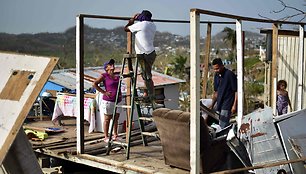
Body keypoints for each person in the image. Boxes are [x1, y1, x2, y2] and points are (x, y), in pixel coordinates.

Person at [124, 10, 156, 102]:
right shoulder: (152, 25)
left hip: (143, 54)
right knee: (146, 74)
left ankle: (150, 96)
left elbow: (126, 29)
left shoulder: (141, 25)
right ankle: (148, 94)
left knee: (146, 76)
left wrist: (132, 20)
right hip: (151, 53)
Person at [93, 59, 122, 142]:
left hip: (118, 100)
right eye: (110, 64)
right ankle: (106, 136)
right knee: (107, 118)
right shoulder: (104, 76)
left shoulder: (117, 76)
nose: (112, 65)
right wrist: (104, 92)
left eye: (112, 63)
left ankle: (115, 135)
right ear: (106, 68)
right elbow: (94, 84)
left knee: (116, 118)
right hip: (109, 101)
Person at [209, 58, 237, 129]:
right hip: (219, 104)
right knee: (218, 122)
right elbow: (216, 92)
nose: (216, 70)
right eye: (214, 69)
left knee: (223, 125)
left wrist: (234, 105)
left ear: (222, 66)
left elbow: (236, 91)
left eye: (217, 68)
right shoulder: (216, 76)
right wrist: (212, 105)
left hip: (227, 103)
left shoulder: (229, 74)